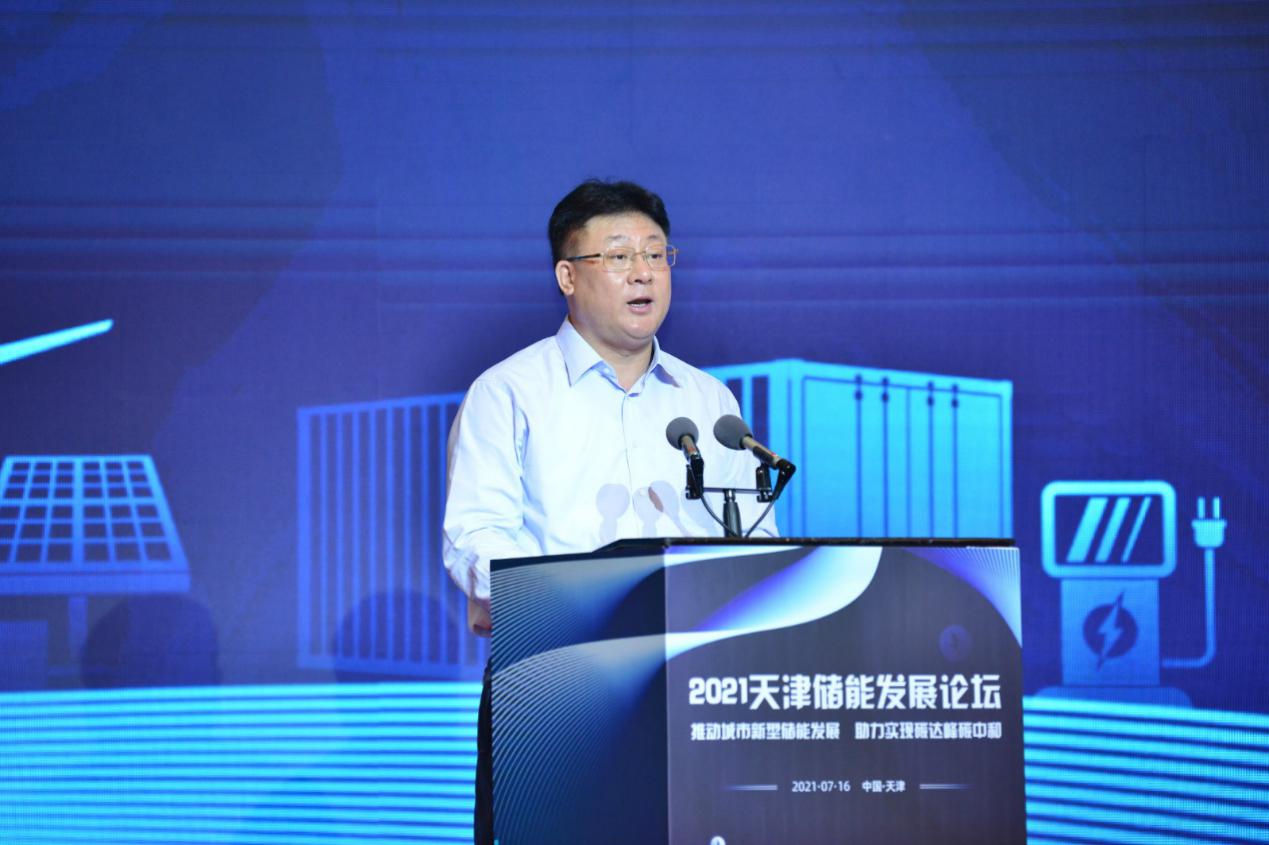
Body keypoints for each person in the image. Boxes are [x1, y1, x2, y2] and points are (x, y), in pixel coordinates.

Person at [441, 178, 776, 844]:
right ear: (567, 275)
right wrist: (573, 599)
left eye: (655, 253)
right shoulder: (509, 393)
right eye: (618, 255)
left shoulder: (709, 400)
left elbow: (754, 536)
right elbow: (475, 535)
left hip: (696, 682)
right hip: (555, 681)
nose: (643, 272)